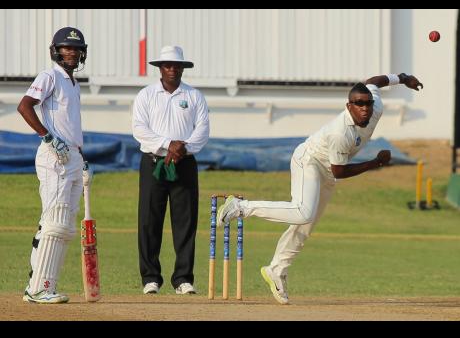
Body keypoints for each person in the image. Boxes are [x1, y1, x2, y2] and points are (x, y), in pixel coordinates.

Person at [217, 73, 423, 304]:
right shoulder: (340, 133)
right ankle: (241, 206)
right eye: (359, 104)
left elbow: (373, 82)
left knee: (306, 226)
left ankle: (276, 269)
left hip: (328, 170)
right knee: (303, 211)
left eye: (368, 103)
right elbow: (340, 172)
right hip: (310, 160)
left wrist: (403, 78)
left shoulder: (375, 109)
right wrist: (376, 163)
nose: (365, 108)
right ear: (349, 106)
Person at [17, 27, 92, 303]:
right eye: (66, 48)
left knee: (64, 224)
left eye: (75, 49)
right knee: (55, 220)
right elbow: (25, 106)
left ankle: (41, 284)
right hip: (54, 156)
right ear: (56, 51)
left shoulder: (74, 83)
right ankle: (39, 289)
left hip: (72, 156)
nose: (71, 53)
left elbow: (71, 123)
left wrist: (81, 157)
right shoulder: (50, 76)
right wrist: (48, 137)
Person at [132, 45, 210, 295]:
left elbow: (202, 131)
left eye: (177, 66)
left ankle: (183, 278)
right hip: (154, 162)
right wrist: (168, 144)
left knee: (185, 222)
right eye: (168, 66)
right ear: (160, 68)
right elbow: (139, 130)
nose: (172, 70)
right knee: (149, 220)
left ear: (182, 69)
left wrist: (181, 150)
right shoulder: (146, 95)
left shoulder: (195, 96)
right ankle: (150, 278)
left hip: (183, 164)